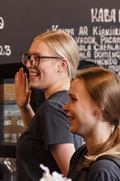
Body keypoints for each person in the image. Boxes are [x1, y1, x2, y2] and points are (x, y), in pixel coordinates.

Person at [14, 30, 83, 181]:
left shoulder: (52, 109)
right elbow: (40, 139)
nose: (28, 64)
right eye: (29, 57)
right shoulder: (64, 101)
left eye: (37, 58)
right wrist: (24, 107)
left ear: (61, 65)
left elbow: (71, 174)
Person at [64, 67, 120, 181]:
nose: (65, 107)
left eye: (73, 99)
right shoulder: (81, 154)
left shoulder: (103, 171)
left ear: (99, 106)